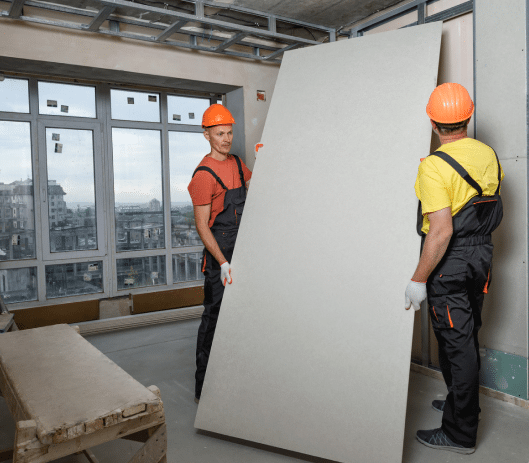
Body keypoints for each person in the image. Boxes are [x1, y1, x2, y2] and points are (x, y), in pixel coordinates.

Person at [404, 83, 504, 454]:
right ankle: (458, 404)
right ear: (468, 116)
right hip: (482, 258)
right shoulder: (488, 154)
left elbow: (441, 231)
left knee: (457, 347)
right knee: (462, 339)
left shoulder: (433, 168)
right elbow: (480, 199)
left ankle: (460, 433)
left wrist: (418, 279)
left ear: (433, 122)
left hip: (451, 263)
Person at [188, 104, 252, 404]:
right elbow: (202, 226)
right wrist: (223, 263)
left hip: (245, 250)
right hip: (220, 258)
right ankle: (205, 388)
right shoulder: (203, 175)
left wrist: (267, 161)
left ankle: (237, 378)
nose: (226, 139)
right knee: (214, 320)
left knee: (243, 318)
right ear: (206, 135)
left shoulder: (239, 165)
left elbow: (261, 189)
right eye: (219, 134)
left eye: (229, 133)